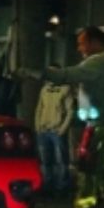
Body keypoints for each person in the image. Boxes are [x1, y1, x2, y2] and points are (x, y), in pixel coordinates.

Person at [17, 26, 104, 208]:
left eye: (82, 42)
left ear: (95, 42)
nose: (79, 48)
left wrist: (31, 72)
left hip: (98, 128)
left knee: (87, 176)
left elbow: (66, 75)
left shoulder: (97, 62)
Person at [33, 64, 74, 197]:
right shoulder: (44, 89)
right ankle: (47, 186)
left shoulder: (65, 89)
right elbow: (39, 108)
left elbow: (70, 111)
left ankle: (62, 187)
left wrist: (62, 129)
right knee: (45, 161)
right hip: (44, 130)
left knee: (61, 160)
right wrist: (38, 126)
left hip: (57, 130)